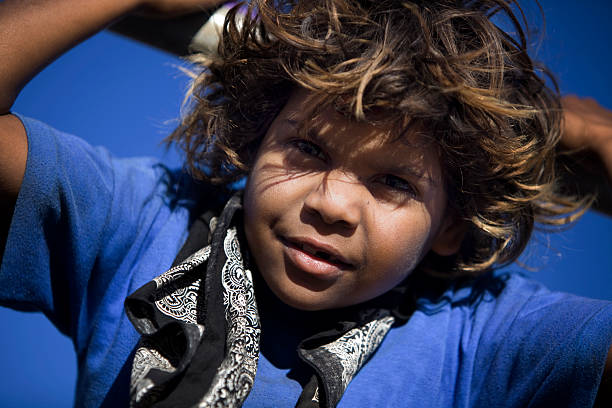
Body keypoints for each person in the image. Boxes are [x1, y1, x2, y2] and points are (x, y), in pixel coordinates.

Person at [0, 0, 611, 407]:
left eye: (395, 183)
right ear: (253, 140)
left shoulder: (483, 342)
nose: (331, 204)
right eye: (308, 150)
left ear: (450, 225)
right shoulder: (143, 225)